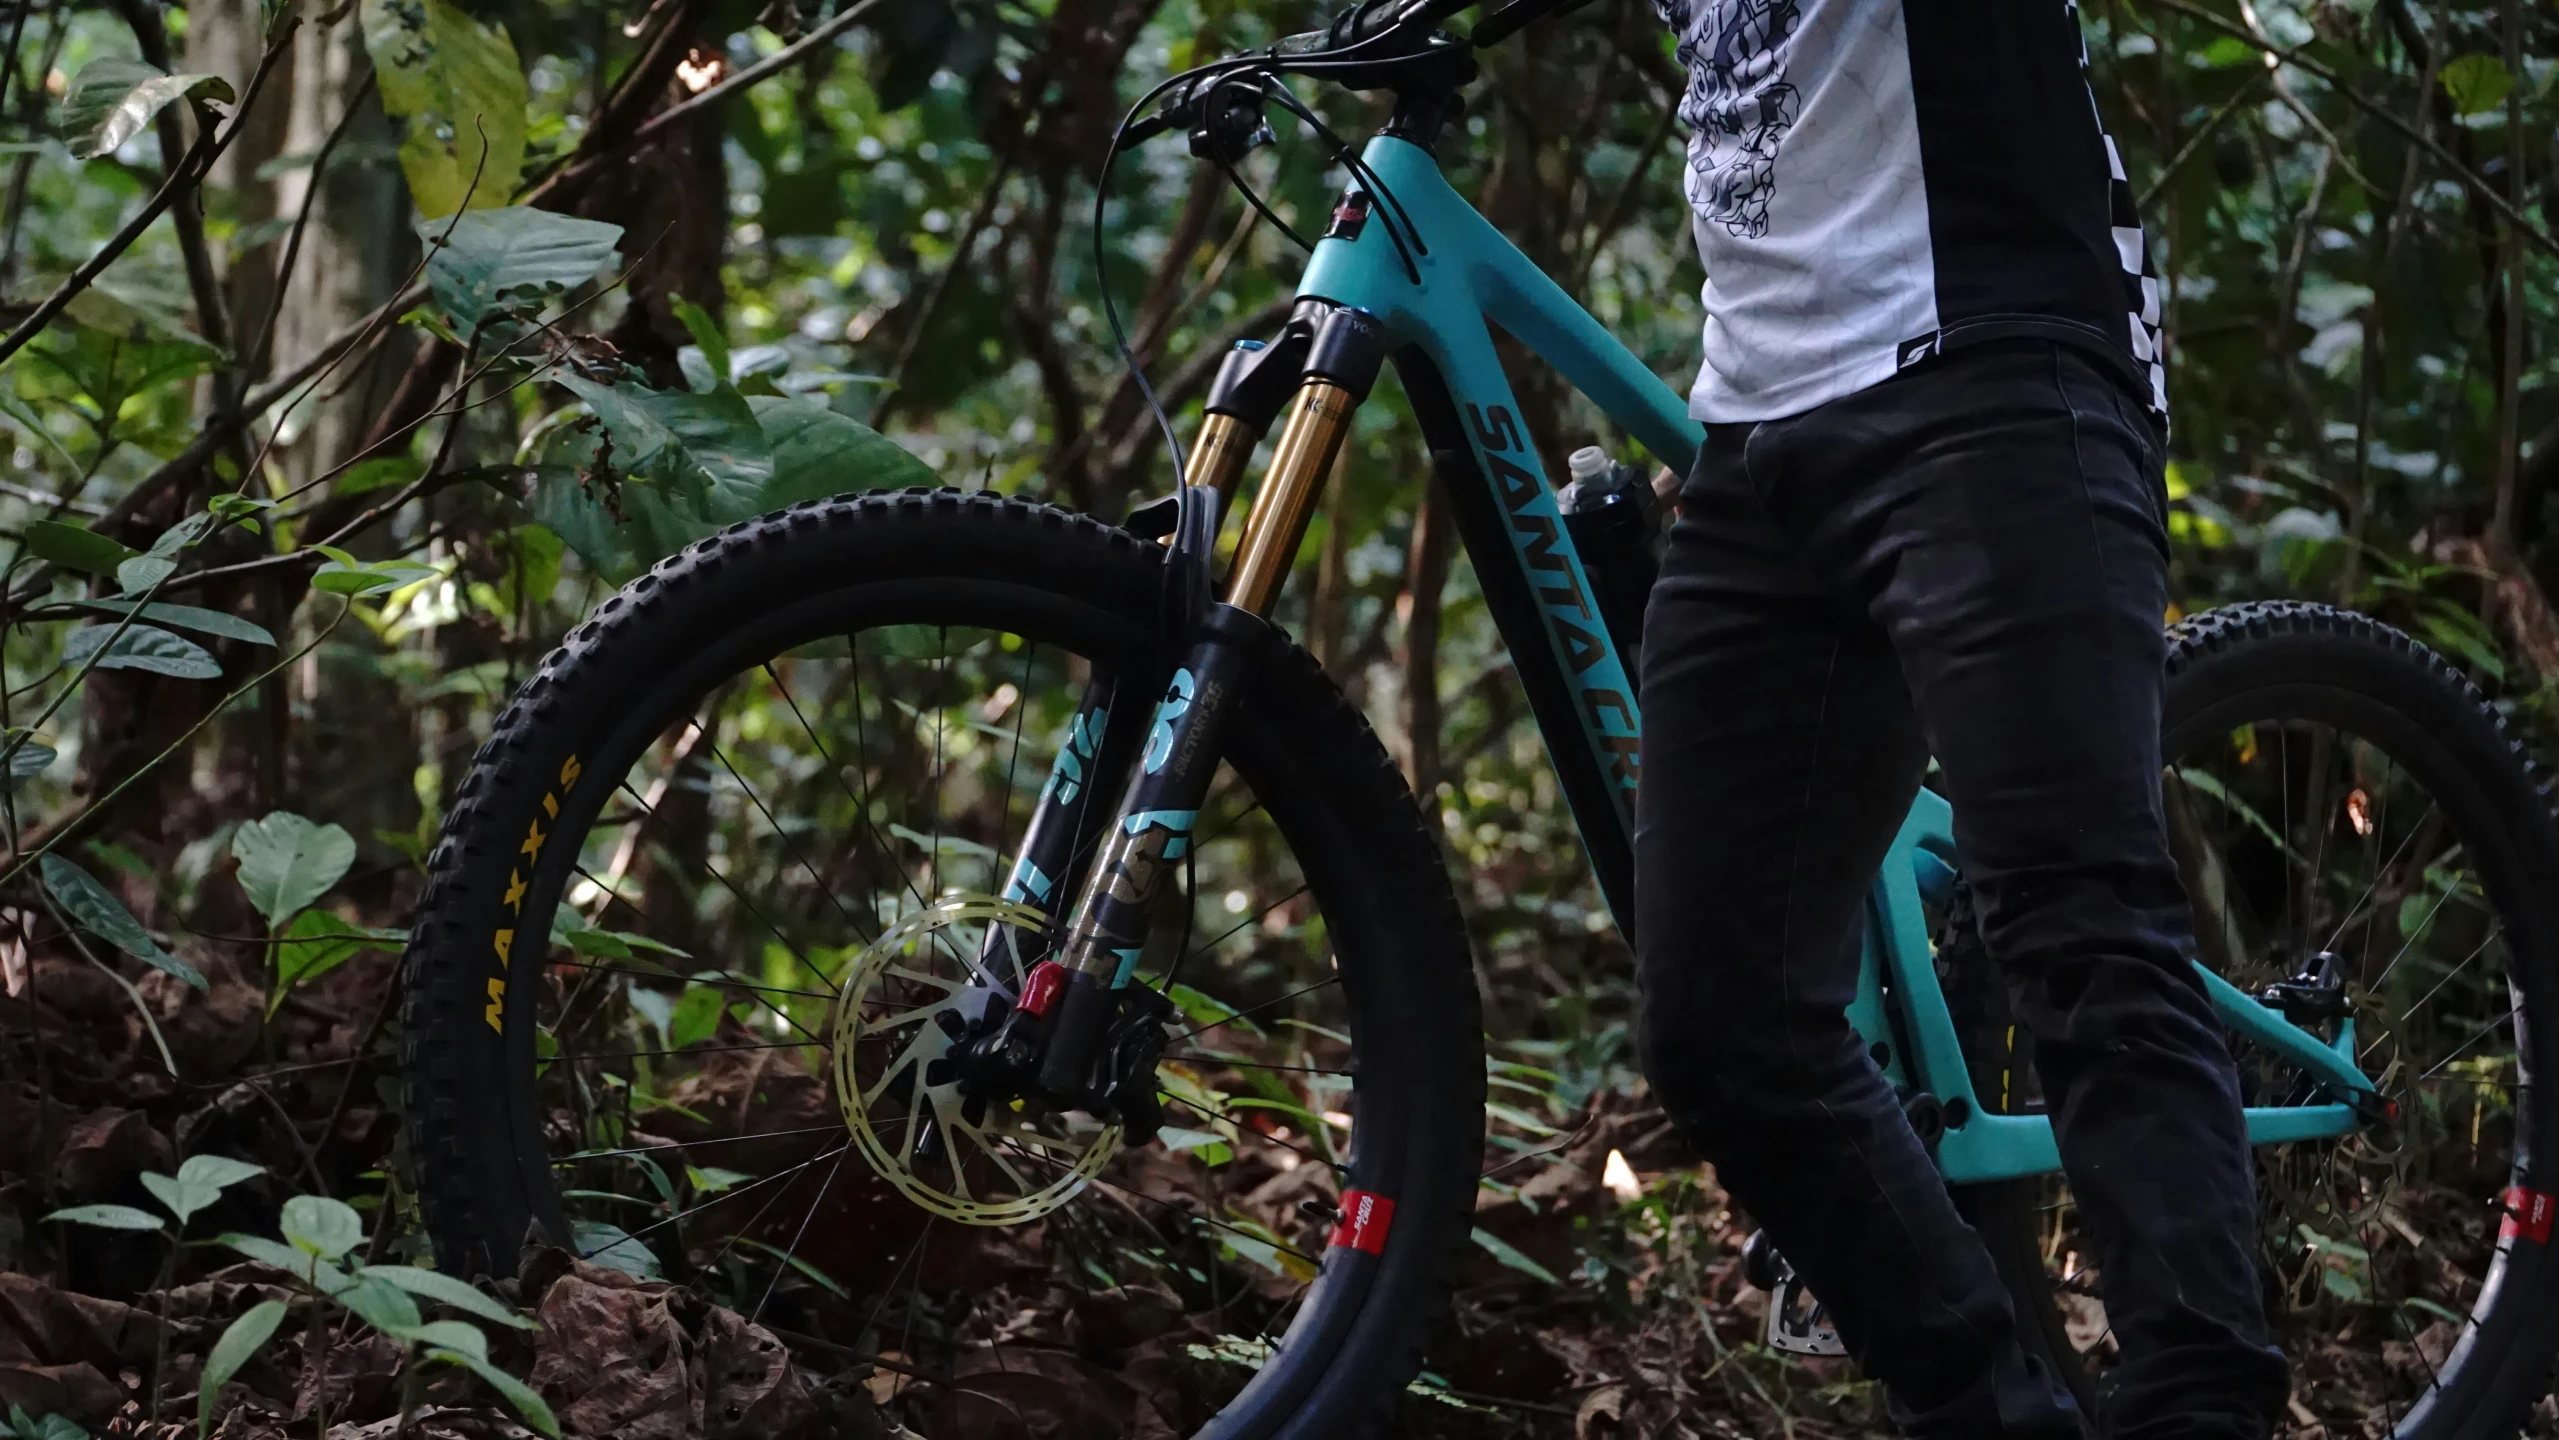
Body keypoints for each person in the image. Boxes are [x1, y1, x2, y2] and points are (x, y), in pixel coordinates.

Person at [1630, 1, 2290, 1437]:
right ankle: (1989, 1413)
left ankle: (2200, 1408)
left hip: (1990, 359)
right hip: (1757, 426)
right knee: (1719, 1020)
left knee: (2076, 926)